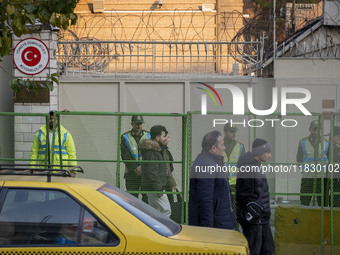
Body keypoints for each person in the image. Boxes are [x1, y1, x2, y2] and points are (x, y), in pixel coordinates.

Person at [188, 130, 236, 230]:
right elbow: (205, 201)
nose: (224, 148)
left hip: (220, 223)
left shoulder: (213, 162)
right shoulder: (206, 165)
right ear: (213, 148)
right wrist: (208, 231)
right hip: (216, 227)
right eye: (222, 145)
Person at [236, 138, 275, 255]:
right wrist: (253, 213)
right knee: (254, 250)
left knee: (268, 249)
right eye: (267, 152)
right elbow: (243, 195)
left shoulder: (256, 166)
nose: (270, 155)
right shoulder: (248, 168)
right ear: (259, 152)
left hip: (262, 218)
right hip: (255, 219)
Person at [30, 110, 77, 176]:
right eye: (50, 118)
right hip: (44, 170)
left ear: (59, 120)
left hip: (61, 171)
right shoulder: (39, 134)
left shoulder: (66, 134)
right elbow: (34, 153)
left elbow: (72, 154)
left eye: (55, 118)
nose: (52, 120)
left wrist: (73, 170)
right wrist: (32, 169)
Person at [139, 125, 171, 217]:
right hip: (155, 188)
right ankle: (162, 231)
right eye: (164, 136)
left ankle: (156, 230)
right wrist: (158, 189)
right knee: (166, 211)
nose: (165, 138)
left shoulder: (153, 150)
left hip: (152, 187)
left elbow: (152, 170)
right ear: (157, 138)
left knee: (155, 212)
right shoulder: (152, 151)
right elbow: (151, 172)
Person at [297, 120, 329, 206]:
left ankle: (322, 220)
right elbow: (299, 158)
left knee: (323, 203)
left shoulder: (327, 143)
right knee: (304, 201)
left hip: (322, 178)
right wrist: (303, 170)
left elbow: (330, 159)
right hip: (307, 177)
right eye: (314, 129)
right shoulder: (302, 142)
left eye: (319, 129)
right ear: (310, 129)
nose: (316, 132)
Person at [120, 115, 150, 201]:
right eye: (136, 124)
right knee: (132, 199)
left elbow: (150, 155)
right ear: (132, 124)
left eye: (140, 124)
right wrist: (136, 168)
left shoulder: (148, 135)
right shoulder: (125, 137)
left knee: (147, 199)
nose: (139, 126)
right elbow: (125, 156)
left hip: (146, 173)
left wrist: (142, 167)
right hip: (131, 173)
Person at [223, 124, 246, 190]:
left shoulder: (240, 146)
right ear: (225, 132)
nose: (234, 134)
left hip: (235, 183)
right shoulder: (217, 145)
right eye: (231, 132)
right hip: (221, 182)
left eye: (235, 132)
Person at [160, 131, 177, 204]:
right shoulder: (163, 151)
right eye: (167, 137)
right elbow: (168, 169)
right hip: (164, 183)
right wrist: (172, 183)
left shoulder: (165, 151)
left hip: (165, 183)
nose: (168, 139)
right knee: (168, 207)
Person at [326, 126, 340, 206]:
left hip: (337, 176)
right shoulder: (331, 146)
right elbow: (328, 156)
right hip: (332, 176)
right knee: (333, 195)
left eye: (332, 136)